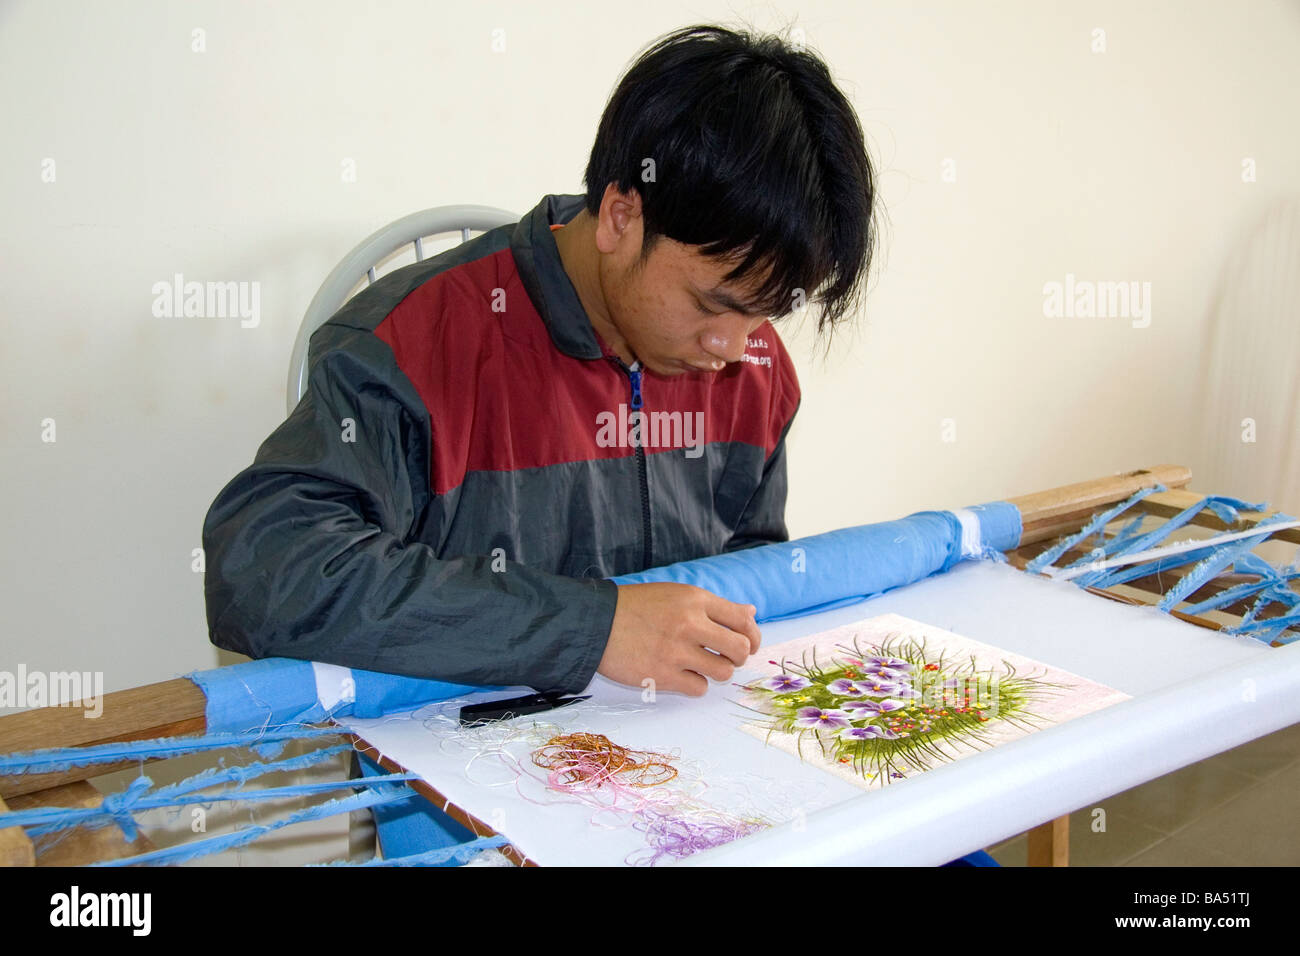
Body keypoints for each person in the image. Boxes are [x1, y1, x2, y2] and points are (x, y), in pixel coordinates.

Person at [201, 23, 876, 704]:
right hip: (458, 774)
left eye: (767, 311)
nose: (735, 349)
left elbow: (747, 571)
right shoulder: (411, 343)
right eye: (712, 303)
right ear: (620, 215)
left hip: (674, 758)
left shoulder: (752, 363)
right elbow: (266, 568)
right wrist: (592, 626)